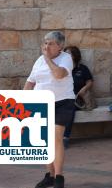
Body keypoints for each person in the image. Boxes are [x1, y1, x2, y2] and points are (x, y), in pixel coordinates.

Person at [25, 31, 75, 188]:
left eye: (51, 43)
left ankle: (59, 177)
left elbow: (59, 74)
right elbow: (30, 82)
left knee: (56, 138)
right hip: (42, 103)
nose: (46, 46)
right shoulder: (39, 61)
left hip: (62, 102)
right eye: (45, 43)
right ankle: (50, 175)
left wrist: (47, 58)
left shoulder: (66, 58)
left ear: (60, 46)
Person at [62, 45, 94, 148]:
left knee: (69, 108)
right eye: (65, 54)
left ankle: (65, 137)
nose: (66, 56)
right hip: (63, 98)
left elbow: (90, 82)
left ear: (75, 56)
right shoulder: (62, 69)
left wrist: (83, 90)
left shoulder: (82, 68)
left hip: (78, 99)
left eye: (68, 54)